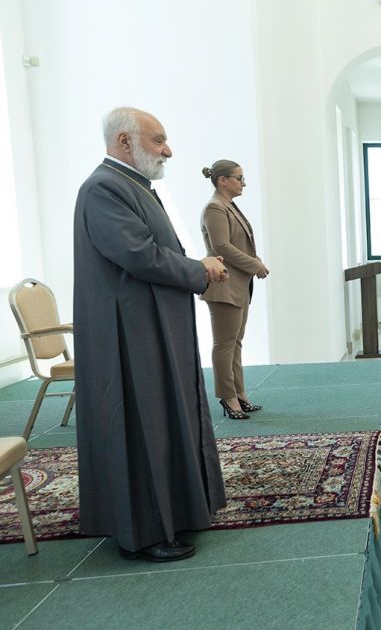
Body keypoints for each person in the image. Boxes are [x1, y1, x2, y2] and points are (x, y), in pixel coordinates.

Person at [73, 107, 228, 562]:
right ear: (125, 142)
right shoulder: (104, 187)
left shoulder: (132, 185)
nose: (169, 150)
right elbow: (139, 255)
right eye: (158, 140)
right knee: (140, 428)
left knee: (163, 420)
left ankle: (178, 511)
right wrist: (198, 269)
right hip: (129, 335)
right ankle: (143, 533)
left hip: (149, 325)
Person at [200, 160, 269, 421]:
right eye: (239, 178)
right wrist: (255, 265)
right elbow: (222, 247)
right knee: (225, 345)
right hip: (224, 284)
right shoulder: (215, 208)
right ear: (222, 180)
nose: (243, 183)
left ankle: (239, 393)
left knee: (235, 342)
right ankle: (227, 397)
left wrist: (253, 265)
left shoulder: (227, 206)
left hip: (238, 284)